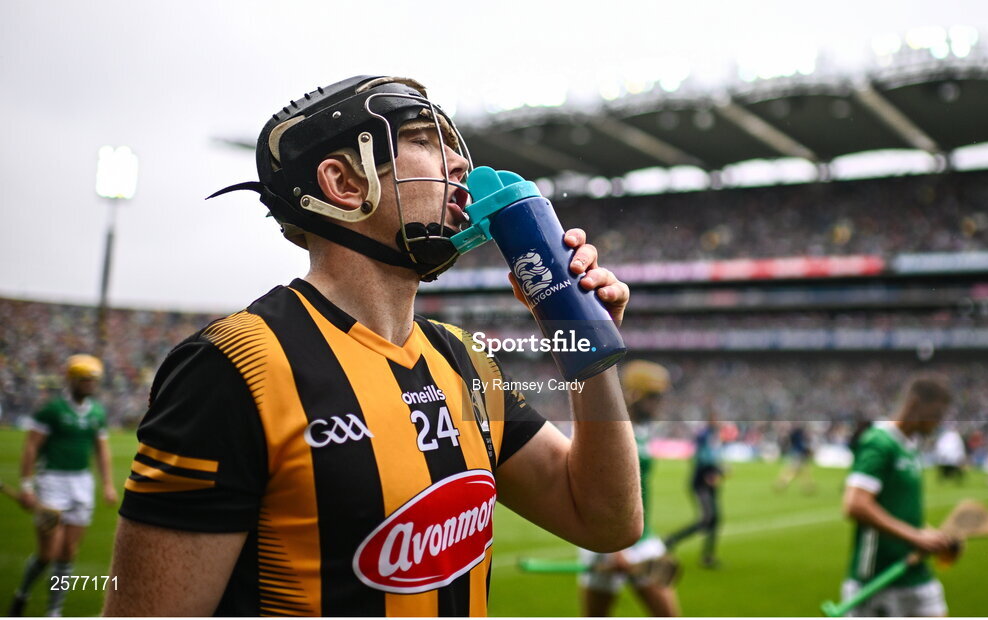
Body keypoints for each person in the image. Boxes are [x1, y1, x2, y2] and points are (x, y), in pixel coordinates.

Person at [102, 75, 641, 617]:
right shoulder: (236, 365)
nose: (458, 165)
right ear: (342, 182)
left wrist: (583, 339)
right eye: (425, 142)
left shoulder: (464, 360)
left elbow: (604, 520)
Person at [840, 375, 959, 617]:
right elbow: (855, 505)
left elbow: (899, 509)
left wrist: (928, 534)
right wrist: (915, 537)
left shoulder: (910, 446)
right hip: (876, 577)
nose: (937, 423)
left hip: (912, 571)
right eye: (935, 414)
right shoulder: (879, 442)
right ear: (915, 404)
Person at [9, 354, 117, 617]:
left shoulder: (97, 412)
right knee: (49, 552)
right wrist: (26, 485)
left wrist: (107, 484)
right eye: (85, 379)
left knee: (68, 552)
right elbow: (31, 448)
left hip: (81, 483)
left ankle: (53, 611)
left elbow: (101, 451)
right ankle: (22, 594)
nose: (90, 384)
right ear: (71, 380)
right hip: (52, 483)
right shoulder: (52, 410)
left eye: (94, 380)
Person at [579, 360, 679, 617]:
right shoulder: (607, 430)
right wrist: (616, 550)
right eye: (654, 396)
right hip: (609, 541)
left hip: (643, 537)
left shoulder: (642, 427)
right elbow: (595, 492)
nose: (660, 402)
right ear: (633, 394)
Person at [664, 408, 723, 569]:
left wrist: (719, 469)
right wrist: (712, 471)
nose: (717, 421)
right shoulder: (704, 435)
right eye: (714, 417)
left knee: (715, 519)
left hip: (710, 482)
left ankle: (708, 557)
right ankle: (671, 540)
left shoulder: (713, 434)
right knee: (707, 519)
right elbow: (702, 457)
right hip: (702, 483)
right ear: (709, 419)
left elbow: (712, 456)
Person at [773, 424, 816, 494]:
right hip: (799, 456)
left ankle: (782, 483)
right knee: (798, 471)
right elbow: (802, 447)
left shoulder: (794, 438)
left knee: (798, 471)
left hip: (797, 455)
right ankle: (782, 483)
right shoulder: (798, 439)